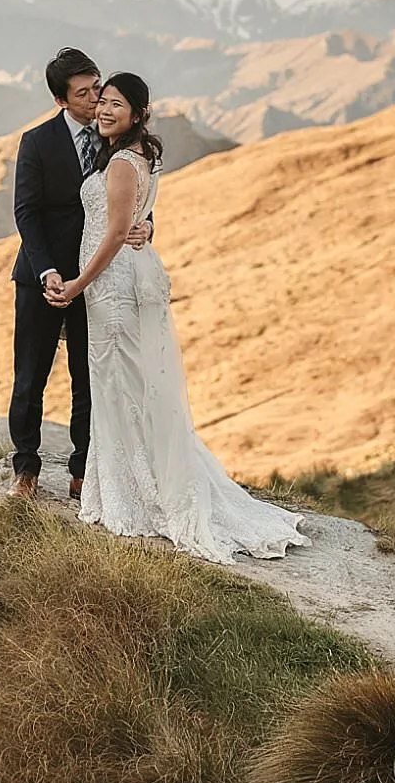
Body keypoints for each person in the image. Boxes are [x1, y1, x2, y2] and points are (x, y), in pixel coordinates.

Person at [49, 71, 307, 564]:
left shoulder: (123, 163)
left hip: (112, 286)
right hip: (121, 281)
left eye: (115, 105)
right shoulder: (138, 155)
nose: (103, 110)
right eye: (101, 102)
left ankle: (139, 497)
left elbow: (115, 232)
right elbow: (134, 221)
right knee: (124, 387)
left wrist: (80, 284)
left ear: (138, 114)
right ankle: (133, 488)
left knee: (120, 388)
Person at [7, 48, 152, 501]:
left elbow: (134, 198)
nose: (96, 101)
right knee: (30, 376)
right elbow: (26, 212)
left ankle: (82, 470)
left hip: (97, 278)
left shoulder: (116, 139)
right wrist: (48, 269)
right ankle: (26, 470)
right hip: (42, 278)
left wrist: (147, 225)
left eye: (97, 88)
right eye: (84, 93)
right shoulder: (37, 142)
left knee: (87, 377)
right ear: (60, 100)